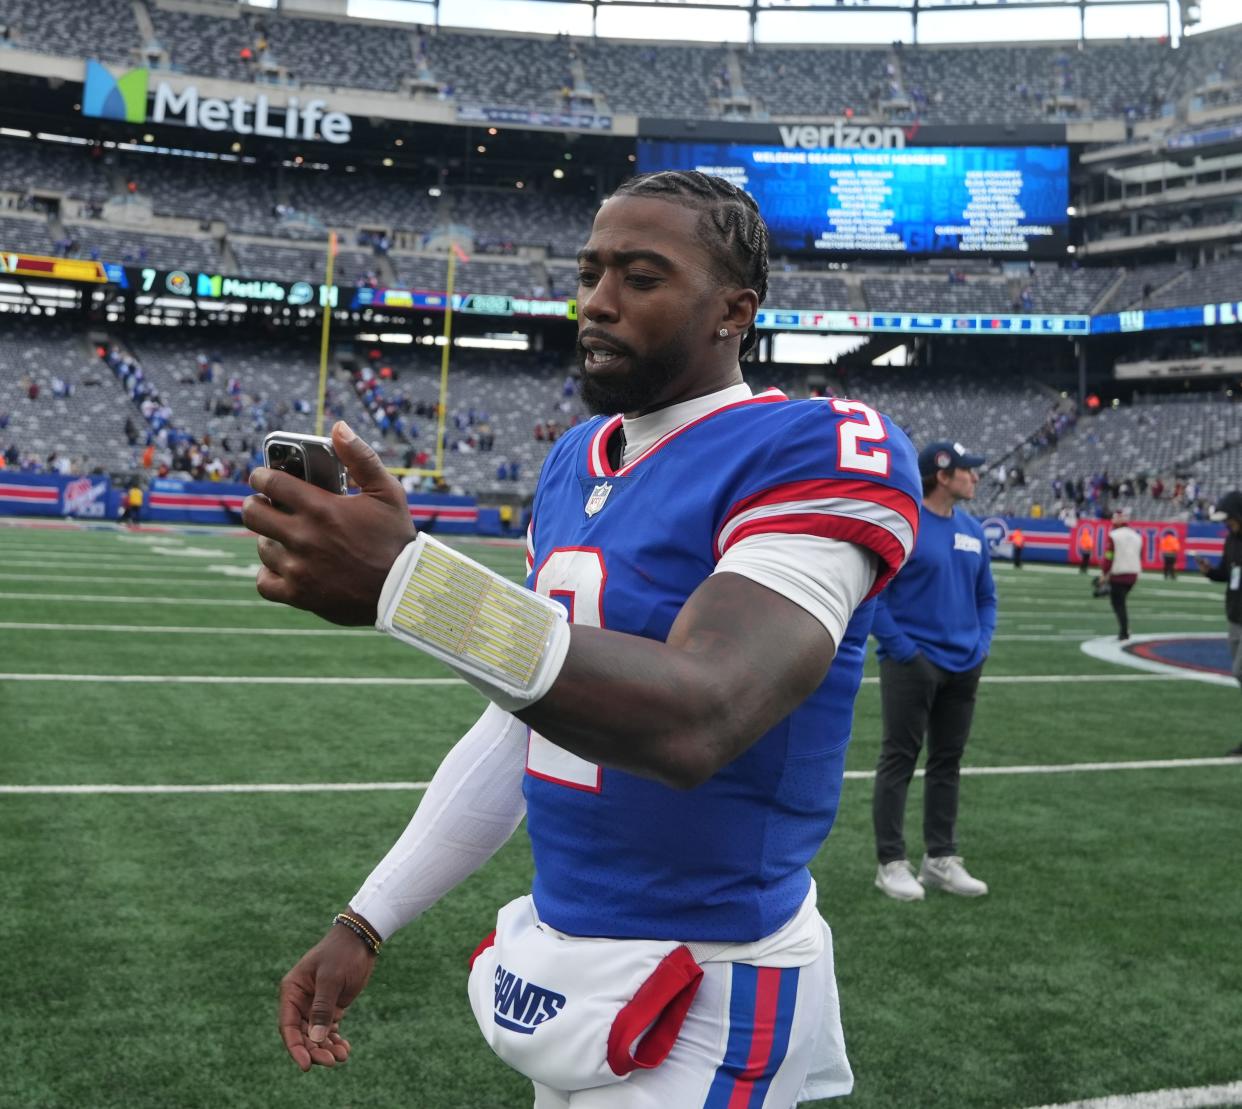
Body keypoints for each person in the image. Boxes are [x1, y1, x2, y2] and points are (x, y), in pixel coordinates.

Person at [241, 171, 922, 1106]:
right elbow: (523, 725)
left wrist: (411, 583)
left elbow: (703, 713)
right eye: (592, 271)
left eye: (641, 278)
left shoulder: (816, 446)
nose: (597, 302)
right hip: (564, 964)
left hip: (711, 977)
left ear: (734, 309)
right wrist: (369, 916)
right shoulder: (574, 460)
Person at [870, 440, 997, 902]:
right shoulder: (905, 524)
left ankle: (940, 858)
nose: (976, 477)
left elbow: (987, 596)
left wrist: (980, 645)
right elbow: (875, 594)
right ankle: (891, 862)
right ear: (943, 475)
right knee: (899, 761)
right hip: (913, 665)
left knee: (947, 763)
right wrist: (904, 650)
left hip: (965, 664)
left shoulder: (973, 530)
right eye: (969, 470)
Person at [1195, 490, 1242, 755]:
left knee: (1240, 671)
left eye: (1230, 519)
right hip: (1235, 614)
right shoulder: (1231, 541)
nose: (1227, 524)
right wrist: (1210, 572)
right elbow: (1227, 572)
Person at [1101, 509, 1142, 641]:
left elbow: (1109, 556)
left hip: (1119, 573)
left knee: (1118, 604)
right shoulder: (1137, 536)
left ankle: (1124, 631)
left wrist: (1104, 573)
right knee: (1121, 602)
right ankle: (1125, 628)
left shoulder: (1114, 535)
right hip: (1133, 573)